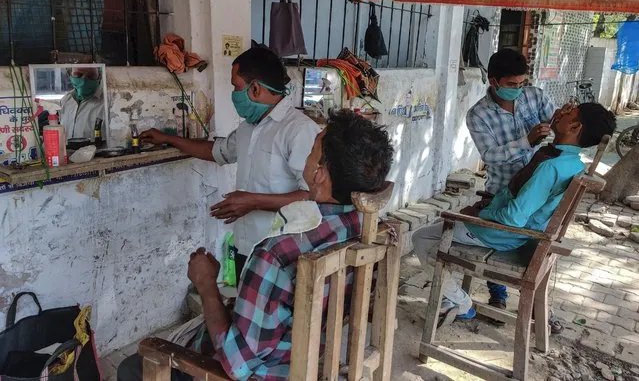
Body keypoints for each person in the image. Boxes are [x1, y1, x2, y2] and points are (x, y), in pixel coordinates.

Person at [117, 110, 395, 381]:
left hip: (274, 370)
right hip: (318, 357)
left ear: (319, 174)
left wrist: (206, 284)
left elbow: (238, 366)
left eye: (311, 151)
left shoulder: (275, 255)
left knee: (134, 365)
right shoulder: (369, 228)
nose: (306, 160)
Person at [414, 102, 616, 322]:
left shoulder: (551, 166)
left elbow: (513, 217)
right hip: (518, 231)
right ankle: (450, 298)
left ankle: (461, 303)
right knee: (437, 233)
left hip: (501, 233)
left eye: (568, 112)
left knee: (422, 238)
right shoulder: (573, 164)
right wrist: (490, 204)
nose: (560, 112)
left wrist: (478, 215)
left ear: (575, 127)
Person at [139, 47, 321, 277]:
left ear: (255, 88)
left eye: (236, 86)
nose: (233, 93)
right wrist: (168, 139)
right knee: (243, 309)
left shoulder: (298, 130)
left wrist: (253, 202)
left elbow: (313, 196)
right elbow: (216, 151)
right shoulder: (248, 128)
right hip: (246, 245)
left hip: (282, 251)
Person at [466, 48, 556, 310]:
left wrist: (561, 119)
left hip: (538, 189)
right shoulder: (478, 114)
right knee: (499, 238)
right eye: (511, 84)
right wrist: (526, 141)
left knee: (537, 245)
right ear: (493, 81)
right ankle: (498, 293)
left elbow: (557, 120)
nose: (518, 89)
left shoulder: (534, 96)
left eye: (521, 83)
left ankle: (538, 305)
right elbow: (491, 156)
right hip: (502, 188)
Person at [59, 65, 106, 140]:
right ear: (69, 74)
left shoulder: (108, 104)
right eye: (78, 75)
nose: (84, 80)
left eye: (91, 76)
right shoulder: (65, 101)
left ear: (99, 75)